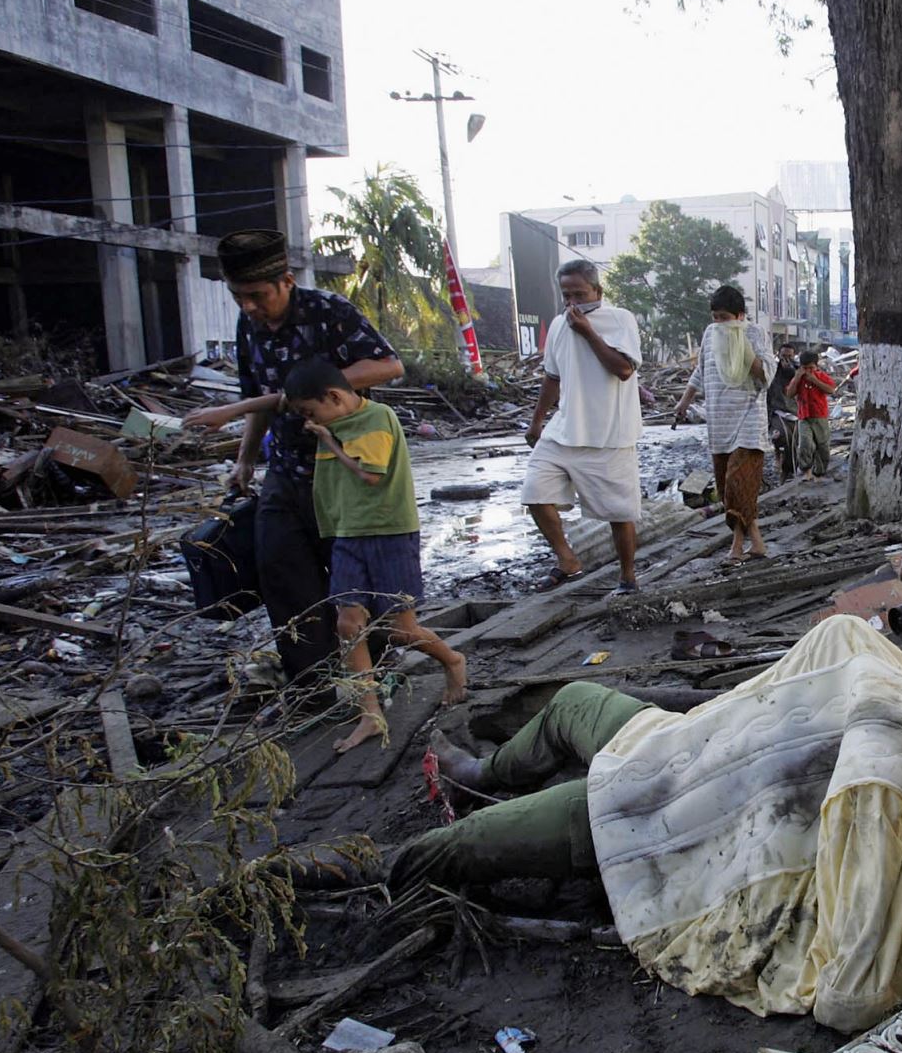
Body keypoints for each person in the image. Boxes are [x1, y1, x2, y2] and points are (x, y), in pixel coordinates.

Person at [180, 230, 403, 690]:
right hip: (285, 471)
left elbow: (388, 364)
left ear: (285, 281)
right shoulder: (249, 325)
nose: (248, 307)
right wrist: (244, 461)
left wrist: (309, 388)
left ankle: (373, 673)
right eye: (239, 297)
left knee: (351, 577)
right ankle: (312, 684)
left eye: (257, 296)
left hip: (343, 469)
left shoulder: (328, 311)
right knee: (281, 572)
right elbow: (257, 398)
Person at [283, 357, 468, 754]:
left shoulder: (376, 418)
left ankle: (452, 660)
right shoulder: (332, 424)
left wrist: (329, 441)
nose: (310, 421)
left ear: (334, 397)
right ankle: (369, 713)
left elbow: (371, 474)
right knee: (348, 624)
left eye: (311, 412)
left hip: (389, 532)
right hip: (348, 534)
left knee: (401, 630)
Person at [392, 671, 711, 898]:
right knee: (573, 699)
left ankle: (383, 867)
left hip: (687, 807)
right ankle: (477, 775)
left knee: (466, 839)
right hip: (699, 739)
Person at [523, 258, 643, 593]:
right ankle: (567, 559)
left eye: (579, 294)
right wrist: (536, 422)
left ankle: (628, 578)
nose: (572, 302)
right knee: (534, 491)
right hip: (565, 429)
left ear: (597, 291)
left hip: (610, 432)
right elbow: (552, 377)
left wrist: (588, 332)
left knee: (620, 512)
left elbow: (623, 369)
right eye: (566, 295)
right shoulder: (559, 325)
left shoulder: (620, 319)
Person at [671, 283, 773, 562]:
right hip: (718, 421)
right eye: (715, 317)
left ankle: (736, 547)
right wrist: (684, 402)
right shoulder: (710, 333)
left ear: (740, 315)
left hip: (749, 420)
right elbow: (701, 370)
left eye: (725, 318)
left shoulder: (755, 333)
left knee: (738, 483)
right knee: (730, 490)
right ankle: (757, 542)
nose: (719, 323)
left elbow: (766, 374)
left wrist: (743, 347)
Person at [792, 348, 836, 478]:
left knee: (823, 447)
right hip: (804, 417)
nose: (808, 371)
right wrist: (797, 378)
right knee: (805, 444)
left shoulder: (821, 376)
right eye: (805, 368)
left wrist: (815, 380)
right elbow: (789, 393)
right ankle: (805, 469)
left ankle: (819, 472)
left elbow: (831, 390)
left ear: (816, 366)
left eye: (811, 368)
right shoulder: (799, 378)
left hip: (820, 415)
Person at [767, 340, 800, 481]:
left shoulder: (798, 370)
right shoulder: (772, 369)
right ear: (778, 355)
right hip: (776, 410)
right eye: (783, 356)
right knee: (781, 435)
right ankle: (779, 457)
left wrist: (791, 371)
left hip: (794, 411)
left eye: (789, 356)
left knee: (793, 441)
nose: (786, 359)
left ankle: (789, 469)